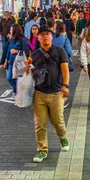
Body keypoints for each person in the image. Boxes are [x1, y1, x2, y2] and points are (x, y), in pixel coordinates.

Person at [29, 25, 70, 163]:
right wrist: (27, 67)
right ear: (38, 37)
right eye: (42, 34)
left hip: (56, 93)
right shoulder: (35, 54)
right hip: (39, 93)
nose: (45, 36)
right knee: (39, 124)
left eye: (48, 34)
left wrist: (65, 85)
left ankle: (63, 137)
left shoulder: (60, 51)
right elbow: (32, 72)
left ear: (52, 36)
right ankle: (42, 150)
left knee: (57, 121)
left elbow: (65, 70)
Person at [1, 24, 29, 94]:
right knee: (9, 78)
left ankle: (19, 92)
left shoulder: (23, 39)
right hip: (11, 61)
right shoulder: (12, 39)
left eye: (11, 29)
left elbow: (26, 51)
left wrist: (17, 51)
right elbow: (8, 50)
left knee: (19, 78)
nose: (10, 31)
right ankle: (19, 90)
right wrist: (6, 61)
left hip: (20, 62)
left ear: (15, 30)